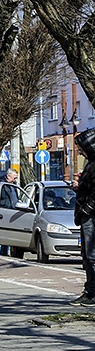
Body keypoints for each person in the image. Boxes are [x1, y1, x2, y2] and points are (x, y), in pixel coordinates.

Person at [71, 128, 95, 306]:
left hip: (91, 217)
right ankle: (90, 291)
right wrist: (79, 187)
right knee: (87, 255)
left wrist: (86, 210)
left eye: (81, 148)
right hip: (87, 215)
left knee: (91, 255)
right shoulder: (90, 163)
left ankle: (92, 293)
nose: (80, 151)